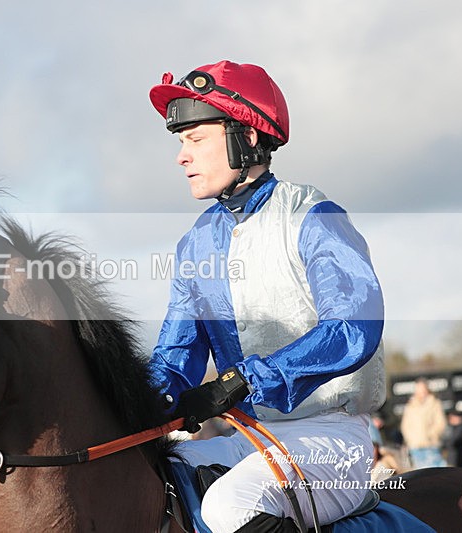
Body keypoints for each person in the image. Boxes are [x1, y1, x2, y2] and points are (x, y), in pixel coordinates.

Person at [148, 60, 385, 532]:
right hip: (251, 437)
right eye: (180, 143)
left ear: (247, 136)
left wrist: (246, 379)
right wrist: (134, 400)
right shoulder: (196, 244)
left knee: (229, 506)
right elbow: (176, 358)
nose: (182, 157)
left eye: (196, 139)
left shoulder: (314, 216)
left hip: (331, 439)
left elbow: (353, 328)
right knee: (147, 474)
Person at [399, 378, 446, 469]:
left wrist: (432, 435)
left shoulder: (435, 403)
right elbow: (405, 426)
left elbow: (440, 423)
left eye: (423, 388)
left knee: (435, 472)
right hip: (415, 447)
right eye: (418, 389)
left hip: (431, 446)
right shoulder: (410, 406)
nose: (421, 392)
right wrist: (410, 439)